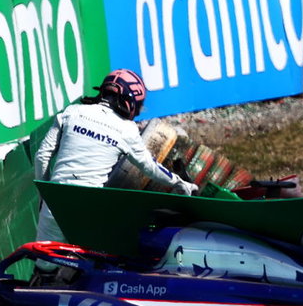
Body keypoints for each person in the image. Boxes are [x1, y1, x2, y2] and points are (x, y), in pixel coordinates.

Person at [33, 69, 197, 245]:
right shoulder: (127, 129)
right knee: (97, 263)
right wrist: (180, 183)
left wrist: (46, 195)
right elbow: (150, 167)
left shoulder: (72, 112)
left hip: (55, 201)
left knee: (44, 265)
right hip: (89, 207)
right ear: (129, 100)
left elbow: (41, 157)